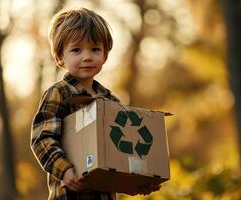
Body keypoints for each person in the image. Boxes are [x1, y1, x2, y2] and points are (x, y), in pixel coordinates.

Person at [30, 7, 160, 200]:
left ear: (105, 55)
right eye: (76, 50)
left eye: (95, 49)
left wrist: (132, 184)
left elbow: (116, 155)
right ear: (60, 57)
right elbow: (42, 139)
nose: (87, 56)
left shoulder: (110, 101)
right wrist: (65, 170)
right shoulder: (58, 93)